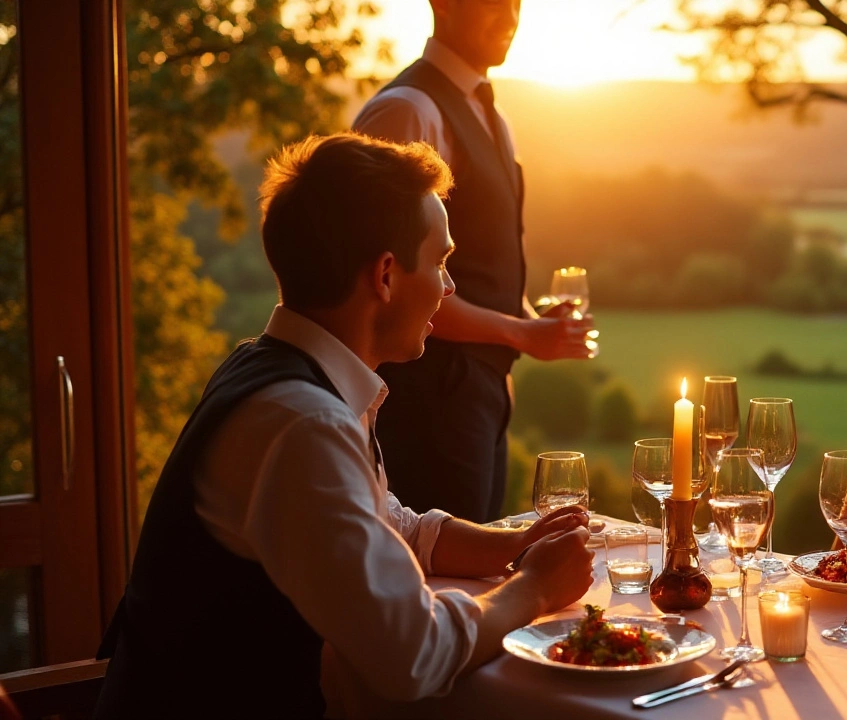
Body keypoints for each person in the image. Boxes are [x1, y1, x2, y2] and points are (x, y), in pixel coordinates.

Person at [94, 133, 595, 719]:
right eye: (439, 262)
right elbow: (411, 655)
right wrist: (532, 589)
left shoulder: (285, 378)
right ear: (385, 275)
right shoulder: (301, 423)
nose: (449, 286)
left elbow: (385, 524)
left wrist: (510, 546)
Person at [351, 0, 594, 523]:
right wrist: (520, 335)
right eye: (492, 2)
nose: (509, 17)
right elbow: (386, 281)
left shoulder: (492, 116)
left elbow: (484, 262)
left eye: (516, 3)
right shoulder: (408, 110)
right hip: (427, 397)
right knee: (436, 568)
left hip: (481, 394)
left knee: (475, 555)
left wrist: (532, 320)